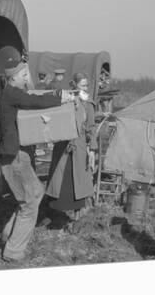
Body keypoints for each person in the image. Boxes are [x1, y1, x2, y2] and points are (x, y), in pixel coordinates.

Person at [0, 58, 74, 262]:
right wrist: (60, 97)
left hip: (15, 156)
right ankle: (13, 252)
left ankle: (6, 236)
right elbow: (34, 101)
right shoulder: (12, 93)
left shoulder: (12, 93)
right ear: (13, 77)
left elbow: (32, 97)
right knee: (30, 203)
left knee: (34, 194)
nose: (26, 78)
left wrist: (55, 95)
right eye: (24, 75)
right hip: (15, 157)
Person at [46, 72, 97, 221]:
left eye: (86, 85)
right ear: (74, 85)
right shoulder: (65, 100)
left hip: (79, 148)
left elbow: (91, 127)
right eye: (82, 85)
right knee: (60, 179)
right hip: (63, 147)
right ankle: (54, 215)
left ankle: (78, 216)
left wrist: (92, 148)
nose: (85, 88)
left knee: (78, 181)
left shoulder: (88, 104)